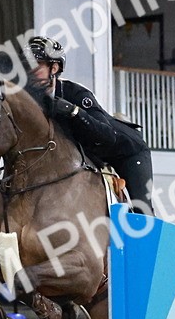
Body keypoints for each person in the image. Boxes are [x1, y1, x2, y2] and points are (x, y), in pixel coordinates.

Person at [25, 36, 155, 214]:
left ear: (54, 68)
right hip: (88, 155)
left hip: (125, 151)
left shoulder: (76, 94)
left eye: (36, 66)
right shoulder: (30, 100)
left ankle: (146, 224)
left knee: (141, 212)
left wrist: (74, 112)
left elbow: (107, 135)